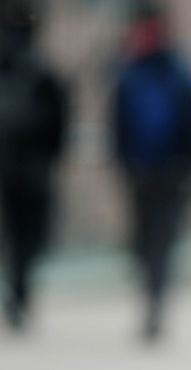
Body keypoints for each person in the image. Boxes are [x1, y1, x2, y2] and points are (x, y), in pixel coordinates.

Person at [113, 1, 191, 339]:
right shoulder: (128, 71)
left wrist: (189, 165)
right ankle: (150, 294)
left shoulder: (180, 71)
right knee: (141, 240)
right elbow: (118, 124)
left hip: (170, 172)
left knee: (161, 240)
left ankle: (155, 301)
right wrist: (124, 163)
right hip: (139, 172)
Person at [0, 0, 68, 331]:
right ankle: (18, 290)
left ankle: (16, 291)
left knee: (21, 236)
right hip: (31, 170)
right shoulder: (41, 73)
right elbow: (58, 125)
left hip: (21, 168)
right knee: (28, 237)